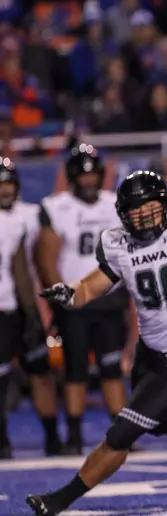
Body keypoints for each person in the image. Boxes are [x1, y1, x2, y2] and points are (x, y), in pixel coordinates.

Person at [26, 162, 167, 516]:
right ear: (123, 214)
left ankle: (60, 499)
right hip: (151, 354)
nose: (145, 217)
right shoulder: (118, 245)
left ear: (165, 205)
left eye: (151, 207)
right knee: (160, 420)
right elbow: (89, 287)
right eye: (136, 210)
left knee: (122, 433)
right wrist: (68, 294)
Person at [35, 145, 129, 454]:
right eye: (83, 176)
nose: (89, 182)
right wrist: (60, 299)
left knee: (111, 369)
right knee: (75, 371)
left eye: (93, 176)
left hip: (110, 299)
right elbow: (47, 260)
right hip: (74, 300)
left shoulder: (115, 203)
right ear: (73, 177)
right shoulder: (57, 207)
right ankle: (74, 437)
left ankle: (120, 433)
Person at [0, 158, 52, 455]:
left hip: (25, 307)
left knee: (42, 372)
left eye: (9, 183)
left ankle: (53, 436)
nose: (5, 190)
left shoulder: (32, 215)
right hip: (2, 309)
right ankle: (1, 439)